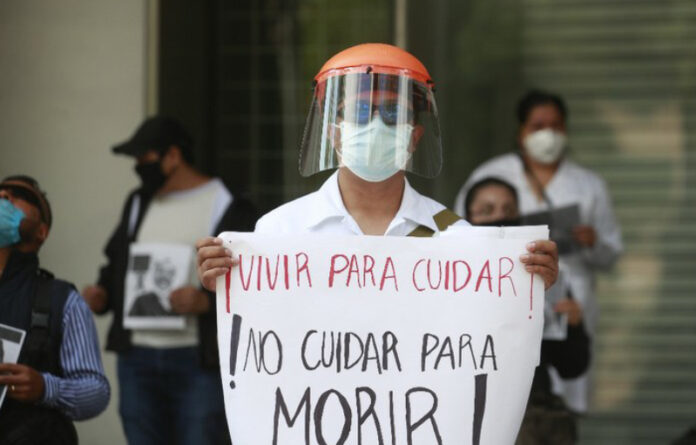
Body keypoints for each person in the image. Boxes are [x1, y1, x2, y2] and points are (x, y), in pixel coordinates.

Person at [196, 44, 558, 330]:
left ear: (414, 136)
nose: (376, 125)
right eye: (358, 111)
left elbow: (483, 333)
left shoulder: (452, 235)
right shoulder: (279, 231)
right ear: (332, 133)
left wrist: (528, 284)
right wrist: (231, 291)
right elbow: (262, 339)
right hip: (314, 416)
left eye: (392, 114)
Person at [82, 116, 258, 445]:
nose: (138, 167)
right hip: (136, 360)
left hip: (198, 361)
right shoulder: (139, 202)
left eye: (144, 159)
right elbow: (116, 261)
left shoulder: (227, 203)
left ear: (173, 156)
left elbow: (253, 279)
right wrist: (103, 293)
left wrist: (206, 302)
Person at [453, 89, 622, 412]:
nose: (548, 133)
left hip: (565, 304)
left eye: (556, 125)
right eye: (538, 125)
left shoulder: (588, 185)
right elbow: (458, 237)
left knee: (564, 398)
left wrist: (593, 244)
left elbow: (611, 254)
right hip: (500, 304)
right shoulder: (493, 175)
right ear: (520, 133)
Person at [464, 177, 590, 445]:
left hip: (532, 416)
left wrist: (575, 326)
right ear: (467, 219)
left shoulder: (543, 274)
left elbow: (572, 367)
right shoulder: (446, 277)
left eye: (509, 211)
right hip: (466, 412)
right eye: (486, 211)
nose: (499, 217)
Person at [0, 175, 110, 444]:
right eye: (1, 193)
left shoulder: (62, 300)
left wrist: (46, 388)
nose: (3, 197)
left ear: (42, 232)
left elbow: (96, 392)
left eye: (18, 197)